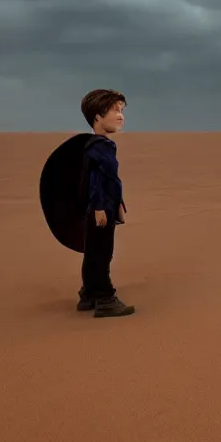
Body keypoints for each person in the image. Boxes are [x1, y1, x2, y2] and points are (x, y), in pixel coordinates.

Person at [76, 89, 135, 318]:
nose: (120, 116)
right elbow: (98, 180)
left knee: (93, 252)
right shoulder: (101, 147)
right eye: (114, 110)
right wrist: (101, 208)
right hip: (100, 209)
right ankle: (105, 298)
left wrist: (118, 204)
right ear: (97, 117)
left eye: (121, 111)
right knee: (102, 253)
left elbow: (106, 181)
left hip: (102, 206)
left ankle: (88, 294)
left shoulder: (95, 145)